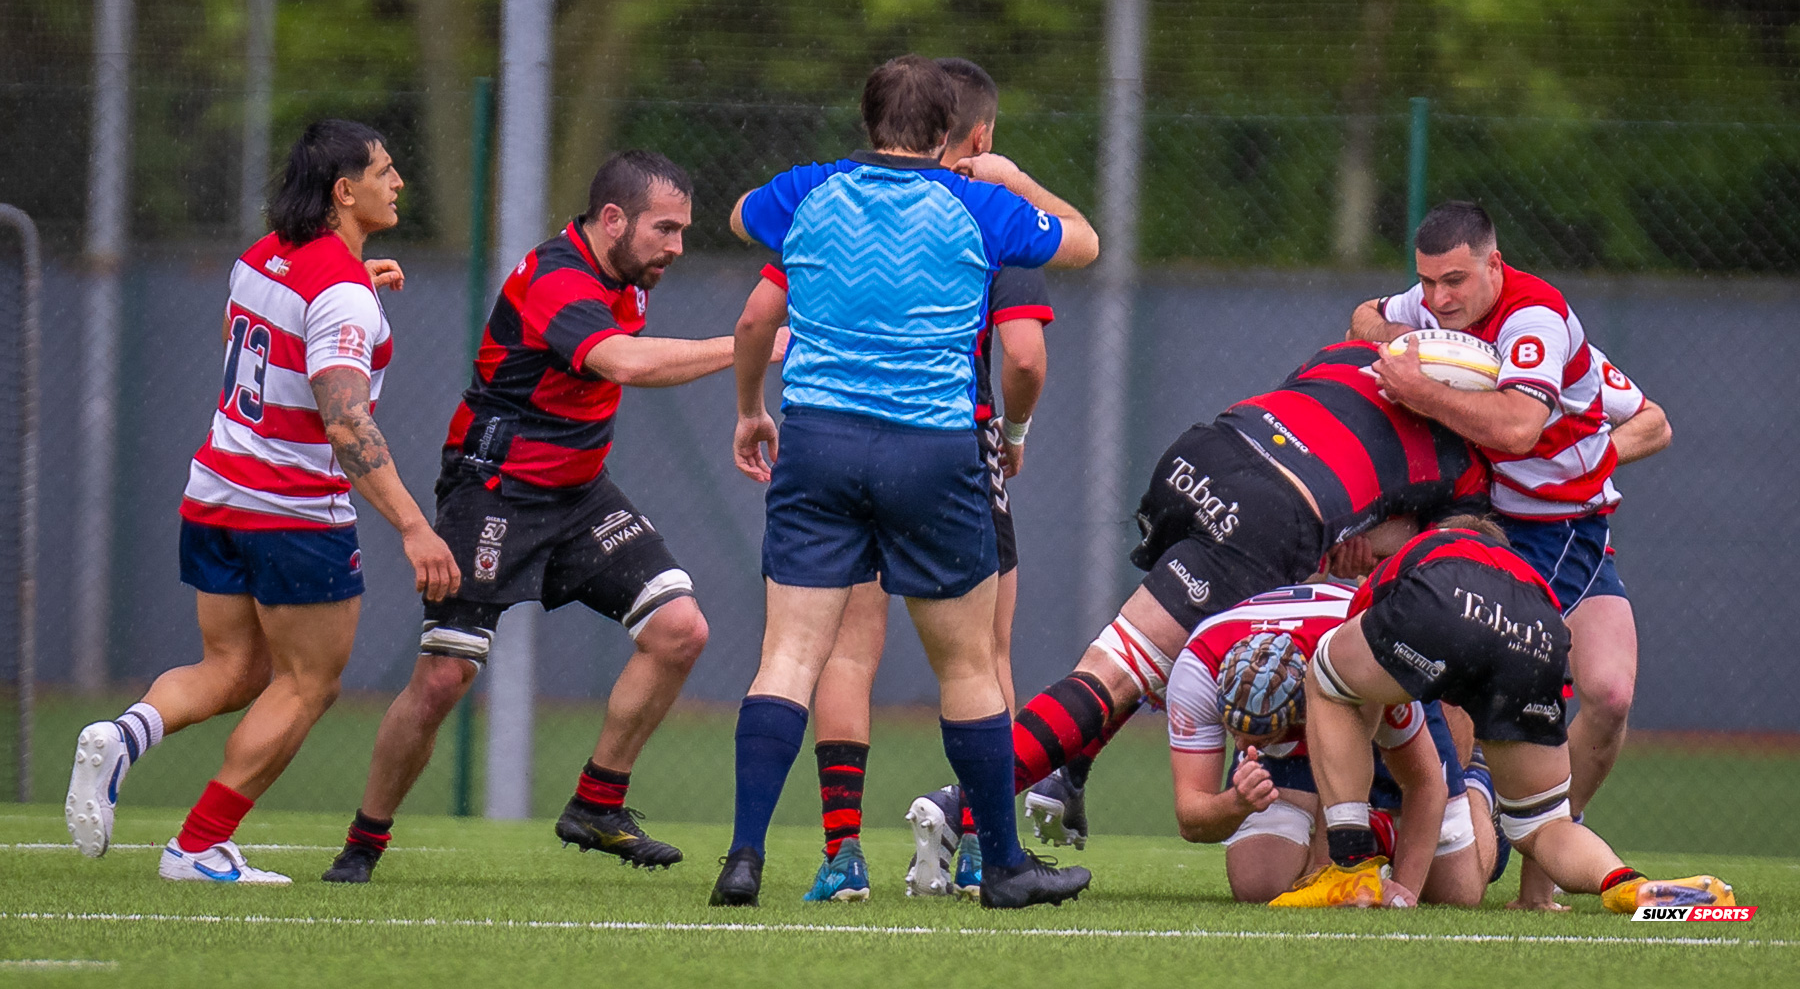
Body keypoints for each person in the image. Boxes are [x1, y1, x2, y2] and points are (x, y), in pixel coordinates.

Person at [322, 150, 770, 883]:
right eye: (665, 228)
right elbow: (623, 362)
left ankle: (598, 802)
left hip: (578, 491)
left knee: (680, 629)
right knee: (443, 679)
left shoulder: (627, 271)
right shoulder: (558, 276)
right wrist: (751, 345)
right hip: (493, 491)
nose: (677, 247)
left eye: (684, 230)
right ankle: (362, 844)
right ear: (613, 218)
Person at [718, 54, 1098, 909]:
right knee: (966, 663)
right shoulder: (982, 203)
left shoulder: (808, 191)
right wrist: (1007, 175)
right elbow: (1084, 239)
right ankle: (1001, 865)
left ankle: (743, 858)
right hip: (933, 448)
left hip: (816, 441)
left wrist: (750, 406)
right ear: (946, 134)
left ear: (868, 123)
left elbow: (744, 231)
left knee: (787, 655)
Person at [64, 120, 459, 884]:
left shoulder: (265, 255)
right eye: (385, 170)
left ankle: (124, 734)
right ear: (345, 192)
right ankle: (197, 845)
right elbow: (347, 421)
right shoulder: (340, 294)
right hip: (291, 512)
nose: (398, 181)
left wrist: (346, 289)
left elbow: (240, 337)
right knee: (308, 682)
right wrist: (415, 527)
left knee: (235, 665)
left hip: (214, 492)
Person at [992, 339, 1489, 854]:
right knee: (1127, 668)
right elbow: (1426, 555)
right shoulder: (1464, 463)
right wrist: (1360, 538)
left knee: (1142, 652)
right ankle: (964, 807)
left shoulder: (1354, 352)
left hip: (1201, 455)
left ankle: (1069, 772)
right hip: (1270, 511)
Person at [1349, 202, 1653, 907]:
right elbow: (1364, 317)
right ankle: (1451, 838)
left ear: (1495, 262)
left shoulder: (1535, 318)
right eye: (1426, 283)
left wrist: (1419, 382)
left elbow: (1519, 428)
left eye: (1454, 280)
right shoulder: (1437, 307)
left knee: (1607, 697)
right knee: (1479, 674)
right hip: (1487, 523)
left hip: (1567, 530)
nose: (1437, 298)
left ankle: (1533, 869)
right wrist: (1406, 339)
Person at [1285, 516, 1734, 913]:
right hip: (1538, 637)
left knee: (1328, 682)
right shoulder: (1525, 577)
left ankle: (1348, 870)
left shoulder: (1426, 549)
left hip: (1441, 602)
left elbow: (1364, 676)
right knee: (1544, 823)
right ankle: (1628, 885)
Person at [1166, 582, 1488, 906]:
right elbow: (1190, 820)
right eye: (1234, 730)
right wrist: (1237, 802)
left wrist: (1403, 893)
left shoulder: (1365, 665)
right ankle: (1372, 833)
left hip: (1355, 670)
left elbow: (1425, 784)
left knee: (1456, 893)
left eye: (1261, 736)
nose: (1242, 744)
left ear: (1300, 712)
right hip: (1322, 671)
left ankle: (1478, 782)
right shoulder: (1198, 670)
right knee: (1258, 883)